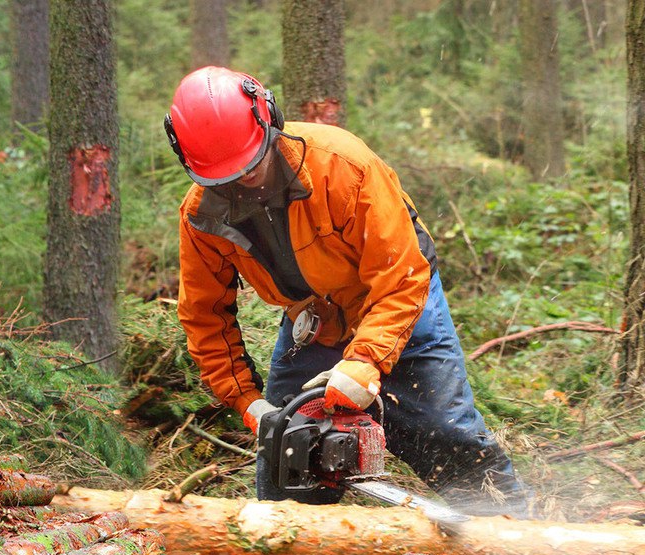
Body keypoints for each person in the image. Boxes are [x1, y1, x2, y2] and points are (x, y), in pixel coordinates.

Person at [165, 66, 530, 516]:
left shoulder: (342, 166)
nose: (244, 180)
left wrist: (364, 364)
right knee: (287, 449)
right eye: (226, 176)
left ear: (269, 119)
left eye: (252, 163)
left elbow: (400, 276)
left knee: (444, 431)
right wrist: (247, 401)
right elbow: (205, 316)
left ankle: (514, 531)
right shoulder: (202, 215)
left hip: (398, 297)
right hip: (315, 318)